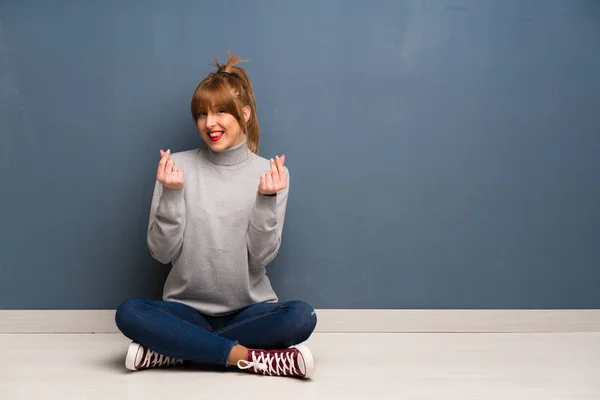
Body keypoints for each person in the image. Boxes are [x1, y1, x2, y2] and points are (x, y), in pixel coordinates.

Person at [114, 53, 317, 379]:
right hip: (186, 310)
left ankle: (177, 351)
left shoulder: (272, 173)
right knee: (130, 312)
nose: (210, 123)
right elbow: (161, 253)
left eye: (221, 111)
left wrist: (266, 199)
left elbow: (262, 256)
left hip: (249, 312)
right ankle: (247, 357)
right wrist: (171, 193)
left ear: (245, 114)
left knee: (301, 316)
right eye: (202, 114)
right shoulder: (175, 167)